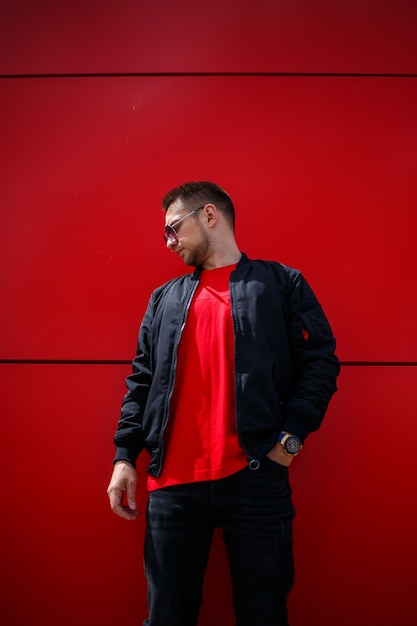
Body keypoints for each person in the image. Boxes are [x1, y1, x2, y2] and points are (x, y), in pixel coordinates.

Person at [107, 181, 340, 626]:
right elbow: (142, 381)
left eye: (173, 229)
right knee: (166, 618)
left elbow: (320, 362)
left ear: (209, 216)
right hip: (172, 486)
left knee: (263, 615)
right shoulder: (164, 299)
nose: (169, 243)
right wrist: (124, 457)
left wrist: (289, 442)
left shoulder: (280, 283)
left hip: (256, 479)